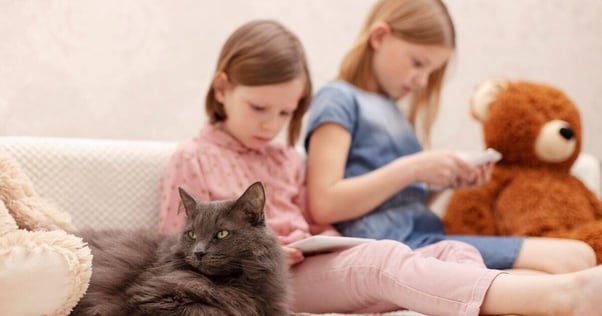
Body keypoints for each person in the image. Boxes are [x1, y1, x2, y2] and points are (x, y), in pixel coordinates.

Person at [159, 18, 602, 315]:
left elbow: (319, 219)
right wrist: (269, 254)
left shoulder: (286, 158)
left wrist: (312, 243)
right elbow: (174, 251)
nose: (271, 125)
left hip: (316, 260)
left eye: (285, 113)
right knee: (381, 260)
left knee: (449, 252)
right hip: (269, 279)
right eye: (259, 108)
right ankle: (562, 296)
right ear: (222, 90)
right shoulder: (193, 157)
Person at [303, 0, 595, 273]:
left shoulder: (393, 111)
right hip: (399, 249)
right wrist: (415, 167)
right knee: (572, 259)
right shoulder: (338, 98)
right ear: (379, 37)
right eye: (418, 63)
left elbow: (401, 202)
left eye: (431, 71)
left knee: (579, 255)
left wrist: (446, 183)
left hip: (428, 237)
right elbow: (324, 204)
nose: (421, 81)